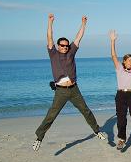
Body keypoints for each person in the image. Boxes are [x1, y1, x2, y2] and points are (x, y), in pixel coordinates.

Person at [32, 14, 106, 151]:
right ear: (58, 46)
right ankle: (39, 138)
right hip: (61, 91)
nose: (65, 47)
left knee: (86, 111)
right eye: (62, 45)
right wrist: (50, 22)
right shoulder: (53, 53)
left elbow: (79, 37)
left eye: (66, 45)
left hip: (74, 89)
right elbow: (49, 37)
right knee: (51, 115)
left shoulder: (71, 52)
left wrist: (83, 24)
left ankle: (97, 131)